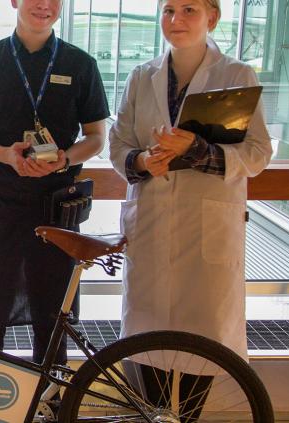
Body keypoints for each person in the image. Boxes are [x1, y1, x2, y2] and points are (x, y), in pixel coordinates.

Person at [108, 0, 272, 420]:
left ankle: (187, 418)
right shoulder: (141, 76)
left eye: (188, 10)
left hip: (207, 224)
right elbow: (119, 144)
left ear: (212, 18)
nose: (175, 21)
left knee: (203, 333)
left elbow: (256, 153)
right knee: (147, 328)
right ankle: (157, 415)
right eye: (168, 11)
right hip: (152, 218)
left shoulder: (237, 74)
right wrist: (143, 161)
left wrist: (196, 150)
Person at [0, 0, 109, 366]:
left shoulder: (80, 64)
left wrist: (66, 158)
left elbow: (98, 137)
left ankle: (51, 406)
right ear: (14, 2)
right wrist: (6, 154)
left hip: (57, 207)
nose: (44, 5)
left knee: (54, 318)